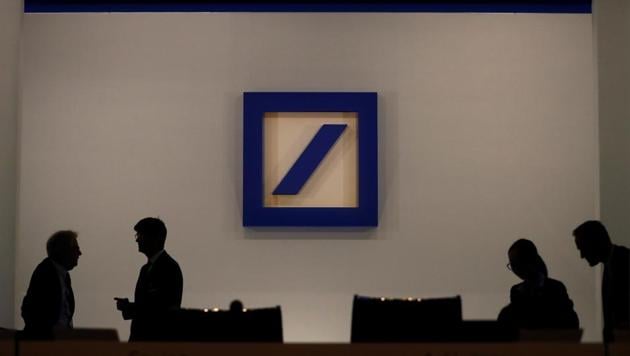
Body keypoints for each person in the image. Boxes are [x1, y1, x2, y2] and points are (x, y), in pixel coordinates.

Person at [116, 217, 183, 341]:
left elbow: (160, 310)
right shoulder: (147, 268)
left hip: (156, 341)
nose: (137, 240)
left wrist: (129, 307)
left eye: (140, 235)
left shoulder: (169, 268)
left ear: (155, 238)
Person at [498, 239, 579, 330]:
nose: (514, 269)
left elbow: (570, 322)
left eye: (515, 263)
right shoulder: (516, 290)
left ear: (528, 260)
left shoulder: (556, 288)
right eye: (512, 265)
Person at [573, 220, 629, 342]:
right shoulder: (617, 262)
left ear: (593, 243)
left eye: (582, 248)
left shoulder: (621, 263)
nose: (582, 255)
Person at [21, 230, 82, 339]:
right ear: (63, 250)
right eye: (76, 249)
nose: (79, 253)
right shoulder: (45, 272)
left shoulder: (62, 275)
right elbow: (31, 310)